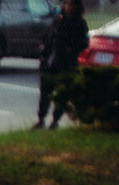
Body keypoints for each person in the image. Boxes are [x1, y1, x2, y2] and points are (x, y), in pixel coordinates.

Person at [35, 0, 88, 130]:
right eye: (66, 4)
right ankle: (41, 119)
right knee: (45, 93)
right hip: (49, 62)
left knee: (61, 94)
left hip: (66, 63)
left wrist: (71, 49)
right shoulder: (57, 20)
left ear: (77, 7)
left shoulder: (80, 23)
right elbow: (46, 38)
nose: (68, 7)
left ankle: (55, 121)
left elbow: (84, 43)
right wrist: (43, 51)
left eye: (71, 4)